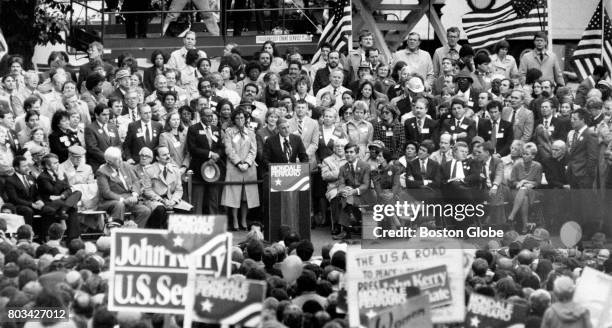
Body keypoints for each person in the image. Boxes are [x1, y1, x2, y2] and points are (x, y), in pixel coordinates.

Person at [221, 109, 259, 231]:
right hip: (234, 167)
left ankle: (243, 219)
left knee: (246, 196)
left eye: (242, 118)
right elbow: (229, 149)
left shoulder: (251, 132)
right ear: (233, 120)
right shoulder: (229, 132)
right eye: (237, 118)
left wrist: (247, 163)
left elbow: (254, 150)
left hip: (248, 167)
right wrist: (238, 163)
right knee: (234, 194)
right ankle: (235, 219)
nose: (240, 120)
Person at [96, 147, 151, 226]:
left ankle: (134, 234)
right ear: (109, 161)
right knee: (119, 205)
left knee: (145, 211)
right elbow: (106, 193)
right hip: (110, 202)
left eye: (121, 157)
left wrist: (135, 195)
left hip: (129, 200)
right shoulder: (102, 172)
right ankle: (115, 231)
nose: (121, 160)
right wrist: (123, 200)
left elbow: (135, 181)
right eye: (117, 159)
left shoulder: (125, 165)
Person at [36, 153, 82, 241]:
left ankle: (63, 210)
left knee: (78, 192)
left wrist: (62, 195)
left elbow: (69, 189)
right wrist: (59, 179)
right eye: (55, 163)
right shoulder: (42, 177)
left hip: (61, 200)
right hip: (50, 203)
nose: (58, 165)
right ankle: (73, 238)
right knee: (72, 208)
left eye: (58, 162)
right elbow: (53, 191)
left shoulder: (61, 174)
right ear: (47, 166)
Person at [187, 107, 224, 214]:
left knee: (213, 198)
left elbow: (221, 147)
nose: (210, 118)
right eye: (207, 116)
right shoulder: (193, 129)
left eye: (211, 115)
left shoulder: (216, 129)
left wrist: (216, 156)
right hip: (199, 168)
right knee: (198, 199)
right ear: (201, 116)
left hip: (214, 168)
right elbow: (192, 148)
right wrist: (209, 154)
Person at [567, 109, 598, 225]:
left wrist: (587, 175)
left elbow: (593, 157)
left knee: (585, 206)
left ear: (582, 120)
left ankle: (588, 232)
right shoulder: (575, 134)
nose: (572, 121)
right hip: (574, 176)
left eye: (574, 119)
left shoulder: (590, 134)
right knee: (576, 207)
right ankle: (578, 231)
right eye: (571, 118)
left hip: (583, 177)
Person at [334, 143, 371, 240]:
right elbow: (341, 183)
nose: (348, 154)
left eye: (351, 152)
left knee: (346, 199)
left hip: (364, 195)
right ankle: (351, 227)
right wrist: (343, 190)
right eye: (346, 152)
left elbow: (366, 185)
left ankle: (346, 230)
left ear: (357, 153)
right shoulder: (343, 168)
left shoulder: (365, 166)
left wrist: (353, 191)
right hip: (349, 196)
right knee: (344, 197)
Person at [141, 147, 184, 229]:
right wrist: (161, 200)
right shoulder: (149, 170)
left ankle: (179, 238)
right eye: (164, 155)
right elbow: (147, 190)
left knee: (188, 210)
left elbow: (179, 190)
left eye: (168, 154)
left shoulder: (175, 169)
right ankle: (155, 236)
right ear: (157, 158)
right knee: (160, 209)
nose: (168, 156)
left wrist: (173, 201)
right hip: (154, 200)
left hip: (171, 199)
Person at [59, 145, 97, 210]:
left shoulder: (87, 168)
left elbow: (91, 184)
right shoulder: (61, 167)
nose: (79, 159)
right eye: (76, 157)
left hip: (85, 197)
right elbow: (61, 186)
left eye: (80, 157)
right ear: (70, 155)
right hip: (69, 196)